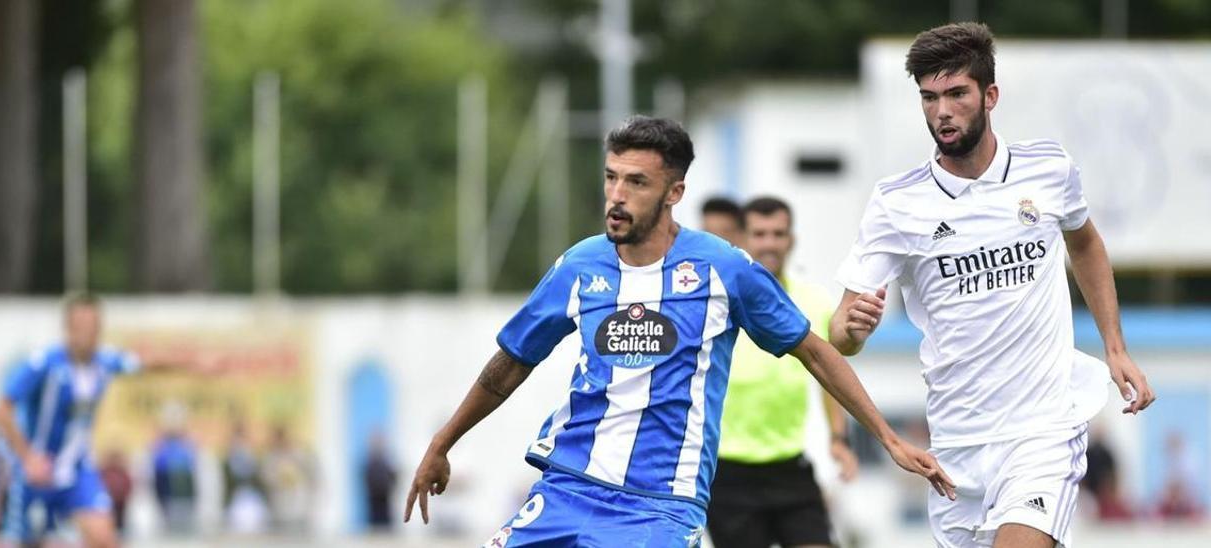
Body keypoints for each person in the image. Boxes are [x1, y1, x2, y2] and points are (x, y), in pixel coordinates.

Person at [403, 116, 954, 547]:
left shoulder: (725, 269)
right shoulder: (578, 266)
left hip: (661, 505)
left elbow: (813, 351)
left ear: (674, 193)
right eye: (611, 177)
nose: (617, 195)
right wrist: (442, 442)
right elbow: (509, 363)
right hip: (569, 485)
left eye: (637, 182)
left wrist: (887, 437)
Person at [829, 22, 1156, 548]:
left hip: (1043, 430)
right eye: (929, 97)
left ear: (990, 95)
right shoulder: (896, 203)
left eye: (957, 93)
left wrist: (1114, 347)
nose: (942, 111)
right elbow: (839, 332)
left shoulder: (1047, 169)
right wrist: (854, 329)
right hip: (956, 445)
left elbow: (1086, 243)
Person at [0, 293, 196, 548]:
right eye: (81, 327)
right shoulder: (44, 364)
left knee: (104, 538)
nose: (88, 334)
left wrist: (195, 364)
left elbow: (148, 363)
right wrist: (28, 457)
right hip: (37, 475)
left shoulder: (105, 362)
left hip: (77, 472)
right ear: (68, 329)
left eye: (94, 327)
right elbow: (1, 410)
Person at [709, 196, 857, 548]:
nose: (770, 243)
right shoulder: (717, 300)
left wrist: (838, 439)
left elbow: (829, 373)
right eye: (760, 234)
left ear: (791, 240)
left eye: (778, 233)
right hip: (728, 472)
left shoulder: (813, 300)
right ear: (743, 238)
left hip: (790, 467)